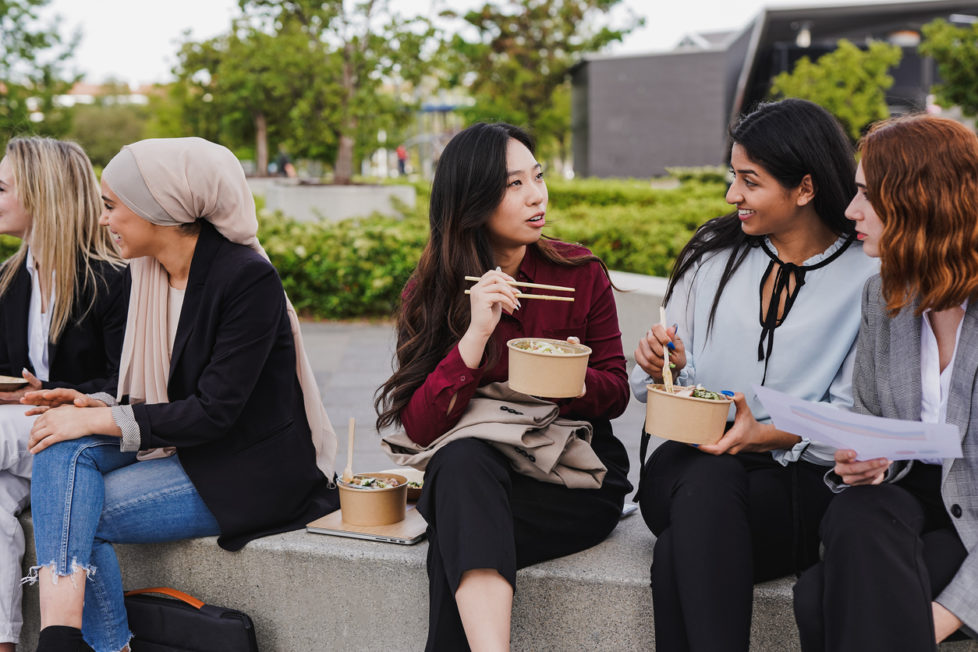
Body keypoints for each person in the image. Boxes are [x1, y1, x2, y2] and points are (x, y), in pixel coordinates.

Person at [22, 137, 339, 652]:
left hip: (242, 466)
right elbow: (138, 385)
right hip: (180, 444)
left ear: (157, 209)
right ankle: (60, 637)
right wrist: (84, 400)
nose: (104, 220)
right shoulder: (143, 276)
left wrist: (103, 421)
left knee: (79, 514)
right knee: (59, 445)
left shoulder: (246, 280)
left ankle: (87, 645)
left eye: (111, 205)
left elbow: (214, 411)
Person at [629, 98, 879, 652]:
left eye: (750, 181)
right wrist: (659, 365)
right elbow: (664, 388)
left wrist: (768, 434)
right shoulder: (712, 258)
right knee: (710, 479)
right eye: (732, 177)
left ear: (806, 188)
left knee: (679, 553)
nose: (731, 196)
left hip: (796, 485)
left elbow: (855, 419)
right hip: (690, 463)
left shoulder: (870, 278)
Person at [375, 122, 632, 651]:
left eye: (536, 177)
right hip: (483, 476)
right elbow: (421, 426)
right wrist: (476, 334)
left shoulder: (580, 272)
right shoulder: (434, 289)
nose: (537, 195)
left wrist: (558, 377)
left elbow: (617, 391)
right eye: (514, 184)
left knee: (456, 532)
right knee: (462, 464)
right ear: (472, 201)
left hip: (572, 479)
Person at [793, 114, 978, 650]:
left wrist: (940, 617)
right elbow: (877, 428)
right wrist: (866, 463)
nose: (851, 210)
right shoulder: (883, 296)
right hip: (908, 504)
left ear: (923, 200)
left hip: (971, 522)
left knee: (816, 596)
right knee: (855, 506)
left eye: (867, 195)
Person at [0, 137, 126, 652]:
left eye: (2, 186)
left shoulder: (115, 280)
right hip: (28, 441)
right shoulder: (9, 280)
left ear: (41, 194)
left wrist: (49, 394)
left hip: (93, 441)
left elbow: (129, 387)